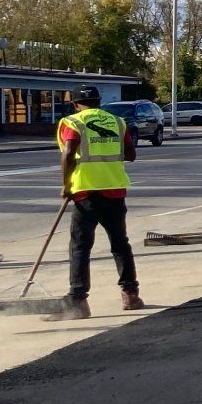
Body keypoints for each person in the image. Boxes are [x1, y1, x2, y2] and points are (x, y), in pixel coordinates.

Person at [55, 86, 142, 320]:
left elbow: (68, 152)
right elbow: (131, 154)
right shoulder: (117, 121)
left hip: (86, 193)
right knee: (120, 244)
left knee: (81, 247)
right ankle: (130, 294)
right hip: (114, 191)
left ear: (75, 104)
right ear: (99, 101)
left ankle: (78, 300)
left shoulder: (73, 122)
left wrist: (66, 184)